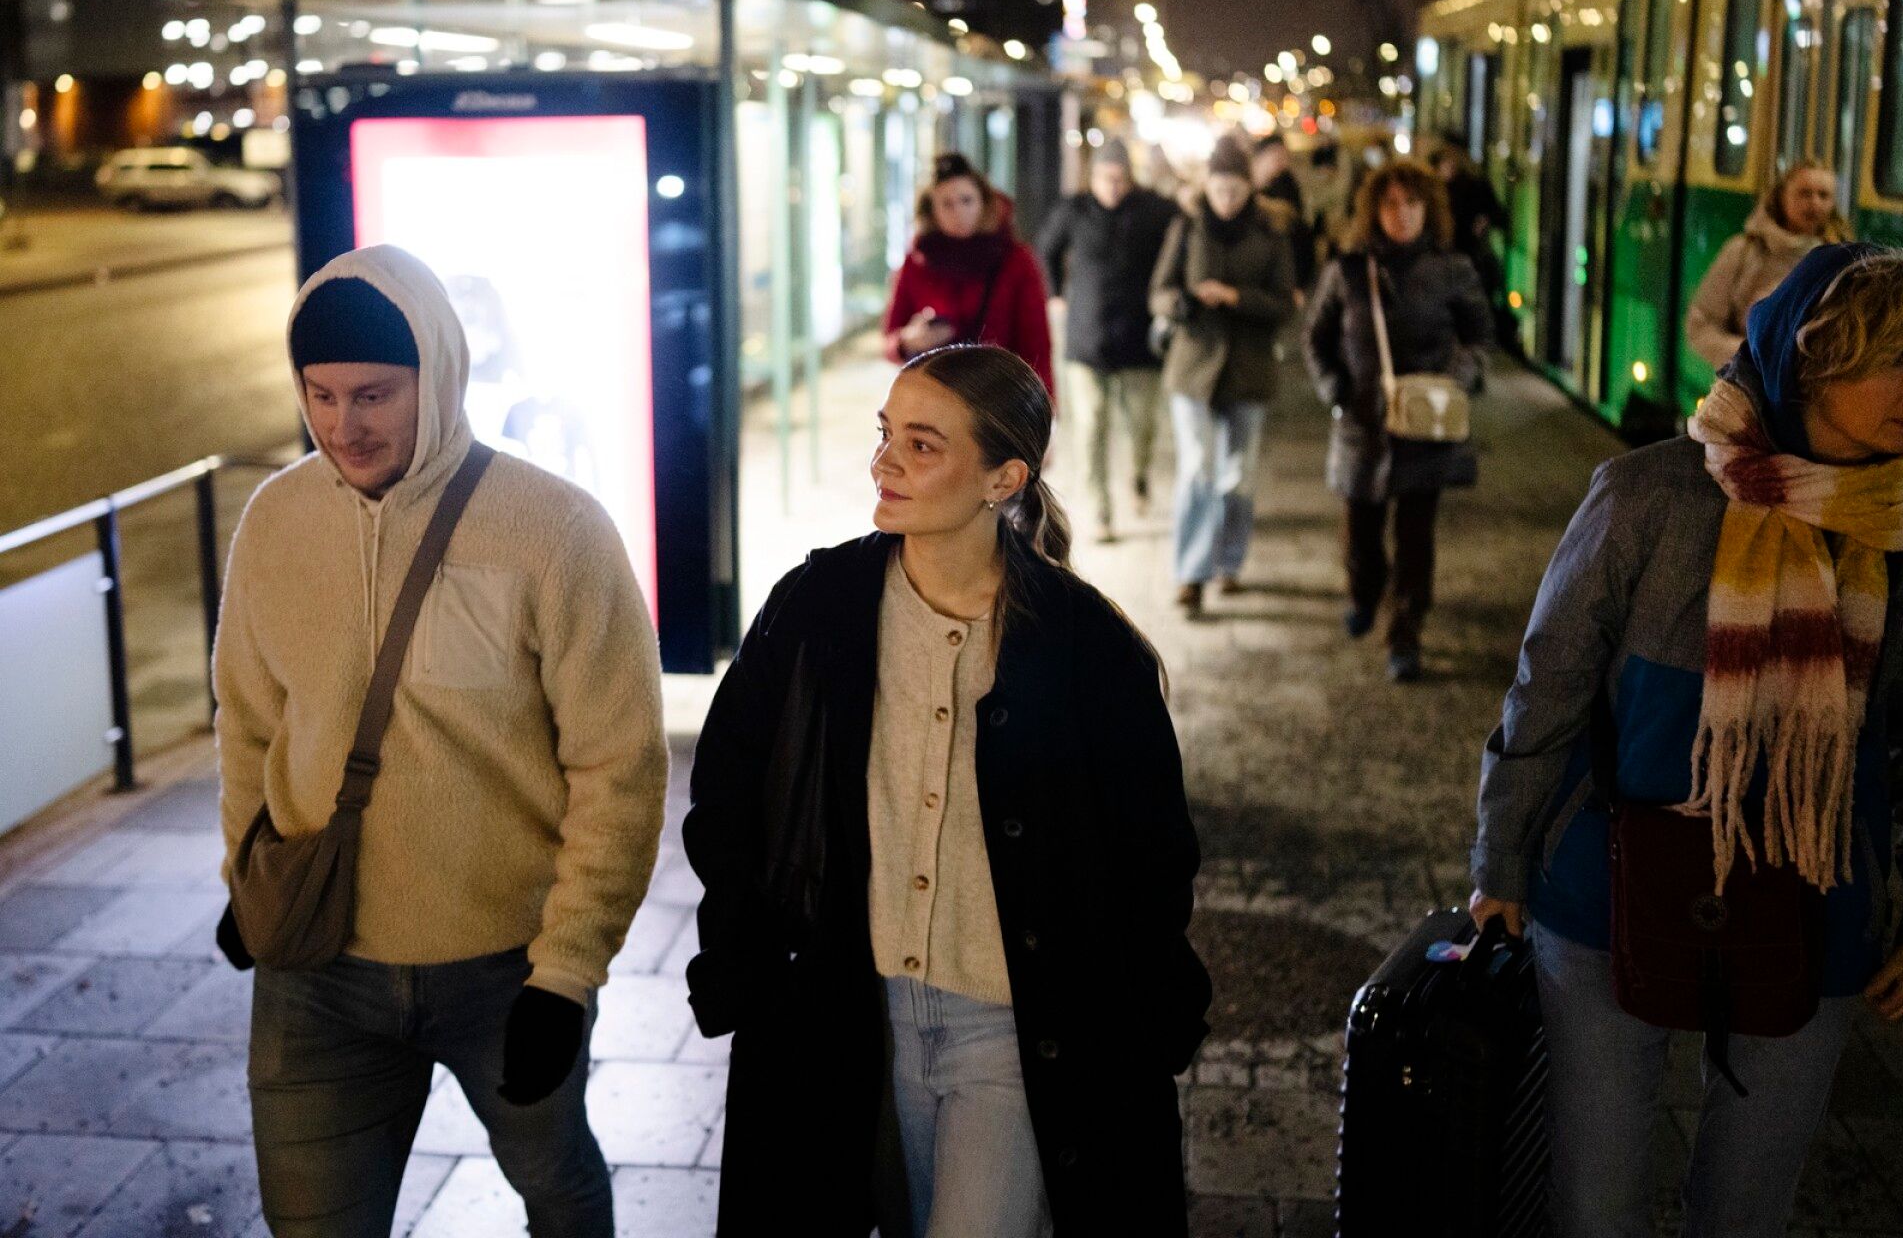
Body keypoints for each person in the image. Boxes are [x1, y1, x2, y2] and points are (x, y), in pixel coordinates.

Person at [683, 343, 1211, 1238]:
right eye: (886, 434)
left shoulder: (1087, 650)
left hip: (1005, 1032)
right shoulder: (817, 608)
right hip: (842, 1012)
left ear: (1004, 477)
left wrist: (1144, 1006)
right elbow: (729, 791)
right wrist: (744, 951)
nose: (885, 461)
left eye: (923, 446)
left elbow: (1151, 856)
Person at [213, 246, 668, 1238]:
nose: (344, 426)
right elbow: (247, 721)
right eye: (320, 397)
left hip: (507, 969)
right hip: (318, 970)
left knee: (559, 1195)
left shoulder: (555, 531)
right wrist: (246, 869)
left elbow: (618, 768)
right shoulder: (275, 522)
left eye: (375, 395)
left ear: (442, 372)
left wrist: (568, 972)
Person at [1470, 244, 1903, 1238]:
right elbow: (1549, 685)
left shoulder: (1902, 527)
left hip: (1819, 897)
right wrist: (1502, 858)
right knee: (1599, 1203)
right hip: (1608, 887)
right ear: (1811, 358)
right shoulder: (1651, 495)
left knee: (1748, 1209)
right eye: (1897, 358)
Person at [1305, 160, 1491, 682]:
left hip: (1425, 427)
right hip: (1361, 423)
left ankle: (1405, 633)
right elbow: (1316, 337)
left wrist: (1456, 378)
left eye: (1411, 203)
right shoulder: (1347, 270)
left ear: (1428, 208)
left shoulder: (1452, 269)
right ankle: (1364, 594)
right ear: (1373, 209)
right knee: (1359, 532)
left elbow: (1480, 335)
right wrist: (1335, 391)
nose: (1401, 214)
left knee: (1415, 538)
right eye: (1390, 204)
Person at [1150, 136, 1297, 617]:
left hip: (1249, 368)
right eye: (1219, 189)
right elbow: (1159, 292)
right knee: (1197, 470)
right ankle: (1191, 574)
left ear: (1249, 188)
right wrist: (1184, 303)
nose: (1227, 199)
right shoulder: (1187, 229)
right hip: (1194, 368)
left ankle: (1229, 562)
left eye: (1235, 189)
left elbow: (1284, 304)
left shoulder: (1271, 233)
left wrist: (1235, 297)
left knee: (1239, 476)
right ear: (1207, 186)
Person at [1035, 143, 1180, 540]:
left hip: (1139, 341)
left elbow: (1184, 236)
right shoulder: (1074, 210)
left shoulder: (1154, 211)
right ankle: (1100, 510)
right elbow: (1046, 247)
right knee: (1091, 425)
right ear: (1094, 177)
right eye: (1106, 178)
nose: (1114, 187)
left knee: (1142, 426)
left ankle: (1139, 476)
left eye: (1120, 179)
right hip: (1088, 338)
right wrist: (1056, 295)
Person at [884, 151, 1055, 398]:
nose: (958, 212)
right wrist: (908, 341)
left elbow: (1036, 342)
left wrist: (1044, 402)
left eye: (966, 200)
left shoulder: (1016, 260)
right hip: (933, 398)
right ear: (932, 211)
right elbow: (890, 337)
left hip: (995, 399)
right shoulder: (917, 262)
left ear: (984, 203)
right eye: (947, 204)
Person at [1686, 162, 1850, 372]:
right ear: (1782, 197)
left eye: (1823, 195)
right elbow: (1701, 325)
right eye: (1804, 194)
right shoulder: (1743, 252)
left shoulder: (1842, 260)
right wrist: (1752, 358)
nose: (1814, 204)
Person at [1431, 139, 1514, 350]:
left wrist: (1484, 220)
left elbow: (1500, 216)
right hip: (1442, 259)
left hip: (1471, 259)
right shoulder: (1432, 186)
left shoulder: (1475, 185)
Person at [1251, 134, 1317, 298]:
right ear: (1262, 155)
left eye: (1284, 156)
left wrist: (1298, 283)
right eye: (1276, 155)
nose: (1281, 162)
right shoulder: (1244, 186)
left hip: (1281, 279)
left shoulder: (1286, 186)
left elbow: (1298, 235)